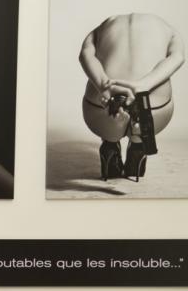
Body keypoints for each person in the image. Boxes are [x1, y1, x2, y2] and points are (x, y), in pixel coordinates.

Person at [78, 12, 183, 180]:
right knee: (144, 118)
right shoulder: (169, 29)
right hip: (151, 106)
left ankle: (110, 143)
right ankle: (137, 143)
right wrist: (143, 85)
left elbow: (85, 55)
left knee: (108, 116)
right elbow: (178, 57)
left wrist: (104, 85)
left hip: (101, 107)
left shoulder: (104, 25)